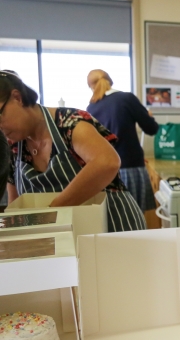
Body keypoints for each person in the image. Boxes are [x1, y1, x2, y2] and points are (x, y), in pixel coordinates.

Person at [0, 70, 145, 232]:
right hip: (63, 237)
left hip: (113, 226)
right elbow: (15, 207)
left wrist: (54, 210)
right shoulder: (13, 147)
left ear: (17, 98)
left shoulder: (70, 122)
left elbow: (107, 162)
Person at [86, 69, 159, 214]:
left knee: (116, 217)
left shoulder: (91, 108)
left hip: (105, 171)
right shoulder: (127, 98)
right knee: (135, 216)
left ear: (91, 87)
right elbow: (151, 129)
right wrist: (148, 117)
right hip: (130, 166)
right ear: (110, 81)